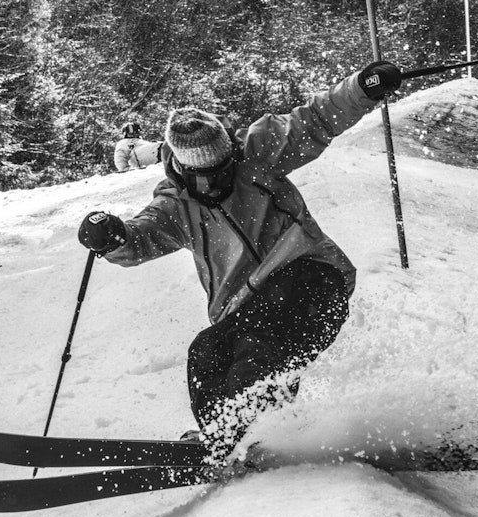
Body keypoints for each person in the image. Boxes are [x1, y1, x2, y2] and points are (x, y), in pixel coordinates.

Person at [78, 60, 404, 459]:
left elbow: (316, 117)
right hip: (246, 305)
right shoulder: (176, 205)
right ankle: (227, 439)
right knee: (206, 353)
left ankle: (236, 438)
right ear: (182, 169)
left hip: (312, 278)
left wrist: (362, 87)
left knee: (259, 346)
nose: (216, 183)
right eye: (203, 177)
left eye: (222, 170)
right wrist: (112, 238)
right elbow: (139, 238)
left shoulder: (256, 152)